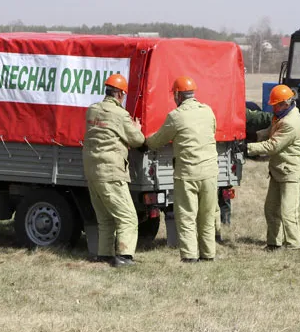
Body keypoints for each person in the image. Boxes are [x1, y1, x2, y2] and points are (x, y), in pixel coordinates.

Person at [145, 76, 218, 262]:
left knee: (187, 216)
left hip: (187, 175)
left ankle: (189, 257)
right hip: (210, 173)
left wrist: (143, 138)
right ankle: (208, 255)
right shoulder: (208, 111)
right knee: (207, 216)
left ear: (177, 95)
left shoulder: (176, 117)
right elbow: (213, 130)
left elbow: (157, 141)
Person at [83, 74, 145, 267]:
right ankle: (124, 257)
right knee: (128, 217)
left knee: (105, 217)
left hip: (92, 171)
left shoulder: (92, 111)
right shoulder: (120, 115)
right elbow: (138, 140)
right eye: (123, 95)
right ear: (119, 94)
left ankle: (104, 255)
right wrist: (137, 127)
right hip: (110, 171)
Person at [246, 84, 300, 250]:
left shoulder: (291, 122)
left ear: (285, 103)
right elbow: (271, 131)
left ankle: (294, 246)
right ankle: (274, 243)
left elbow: (273, 146)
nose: (272, 107)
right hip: (278, 169)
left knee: (288, 211)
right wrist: (254, 136)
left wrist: (248, 148)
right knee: (271, 209)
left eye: (275, 104)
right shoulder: (280, 116)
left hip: (290, 171)